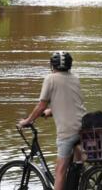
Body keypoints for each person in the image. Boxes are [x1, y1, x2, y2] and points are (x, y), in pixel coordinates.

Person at [18, 51, 86, 190]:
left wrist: (28, 121)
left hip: (67, 132)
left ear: (52, 66)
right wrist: (52, 111)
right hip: (84, 126)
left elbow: (41, 105)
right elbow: (70, 102)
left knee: (60, 171)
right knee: (77, 164)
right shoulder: (75, 78)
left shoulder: (50, 79)